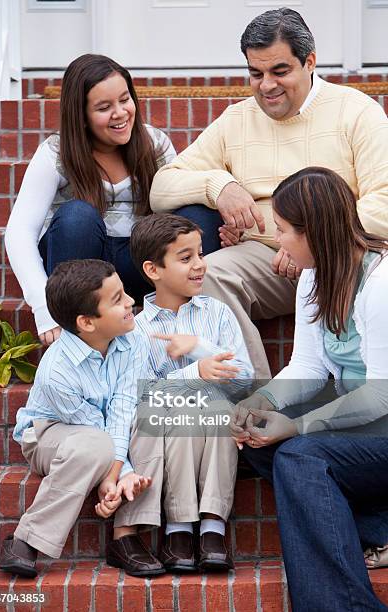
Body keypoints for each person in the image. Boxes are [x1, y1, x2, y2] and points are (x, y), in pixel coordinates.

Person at [149, 7, 388, 380]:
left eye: (280, 71)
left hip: (346, 257)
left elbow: (384, 202)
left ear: (309, 62)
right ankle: (253, 399)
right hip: (266, 257)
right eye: (255, 74)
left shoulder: (357, 112)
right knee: (206, 274)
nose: (266, 85)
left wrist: (312, 239)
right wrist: (219, 186)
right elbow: (161, 187)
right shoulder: (237, 119)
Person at [230, 167, 388, 612]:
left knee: (299, 454)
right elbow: (309, 366)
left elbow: (380, 396)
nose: (278, 242)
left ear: (314, 232)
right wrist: (260, 402)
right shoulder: (313, 278)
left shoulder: (380, 285)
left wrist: (298, 426)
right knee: (258, 441)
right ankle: (379, 528)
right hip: (367, 430)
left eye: (283, 231)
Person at [0, 259, 165, 579]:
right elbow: (95, 429)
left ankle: (125, 536)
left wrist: (116, 476)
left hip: (102, 431)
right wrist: (118, 474)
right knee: (94, 446)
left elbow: (122, 408)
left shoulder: (133, 339)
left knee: (149, 418)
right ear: (87, 323)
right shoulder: (57, 371)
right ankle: (26, 540)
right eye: (117, 299)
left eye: (124, 292)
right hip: (47, 432)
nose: (131, 301)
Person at [110, 213, 254, 573]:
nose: (200, 266)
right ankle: (177, 528)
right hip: (167, 422)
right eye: (186, 258)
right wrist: (196, 372)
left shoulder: (218, 314)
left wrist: (200, 348)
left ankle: (212, 527)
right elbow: (140, 397)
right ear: (153, 269)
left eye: (201, 255)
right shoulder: (136, 329)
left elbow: (245, 378)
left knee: (218, 408)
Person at [5, 53, 176, 347]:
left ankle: (185, 323)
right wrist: (45, 308)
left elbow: (179, 211)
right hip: (79, 261)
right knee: (77, 216)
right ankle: (75, 342)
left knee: (194, 216)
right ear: (81, 116)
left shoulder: (154, 144)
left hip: (136, 264)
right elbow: (19, 232)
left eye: (125, 99)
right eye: (104, 107)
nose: (120, 113)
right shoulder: (57, 153)